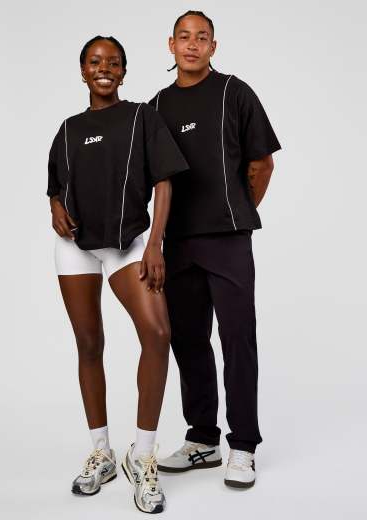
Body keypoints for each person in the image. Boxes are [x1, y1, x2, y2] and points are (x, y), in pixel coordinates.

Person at [47, 35, 188, 513]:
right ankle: (101, 452)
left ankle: (142, 455)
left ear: (123, 72)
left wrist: (155, 244)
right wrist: (54, 207)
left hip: (129, 243)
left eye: (113, 62)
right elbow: (55, 184)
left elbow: (164, 181)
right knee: (89, 344)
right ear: (82, 71)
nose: (103, 68)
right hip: (76, 247)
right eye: (94, 61)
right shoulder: (69, 129)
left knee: (157, 333)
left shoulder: (142, 117)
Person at [149, 11, 281, 488]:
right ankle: (203, 439)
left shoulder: (234, 92)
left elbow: (262, 164)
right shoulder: (156, 106)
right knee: (187, 340)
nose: (192, 44)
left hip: (227, 239)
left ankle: (243, 445)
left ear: (213, 46)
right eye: (184, 37)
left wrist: (236, 213)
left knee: (237, 339)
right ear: (170, 44)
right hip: (177, 243)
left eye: (201, 37)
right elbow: (149, 177)